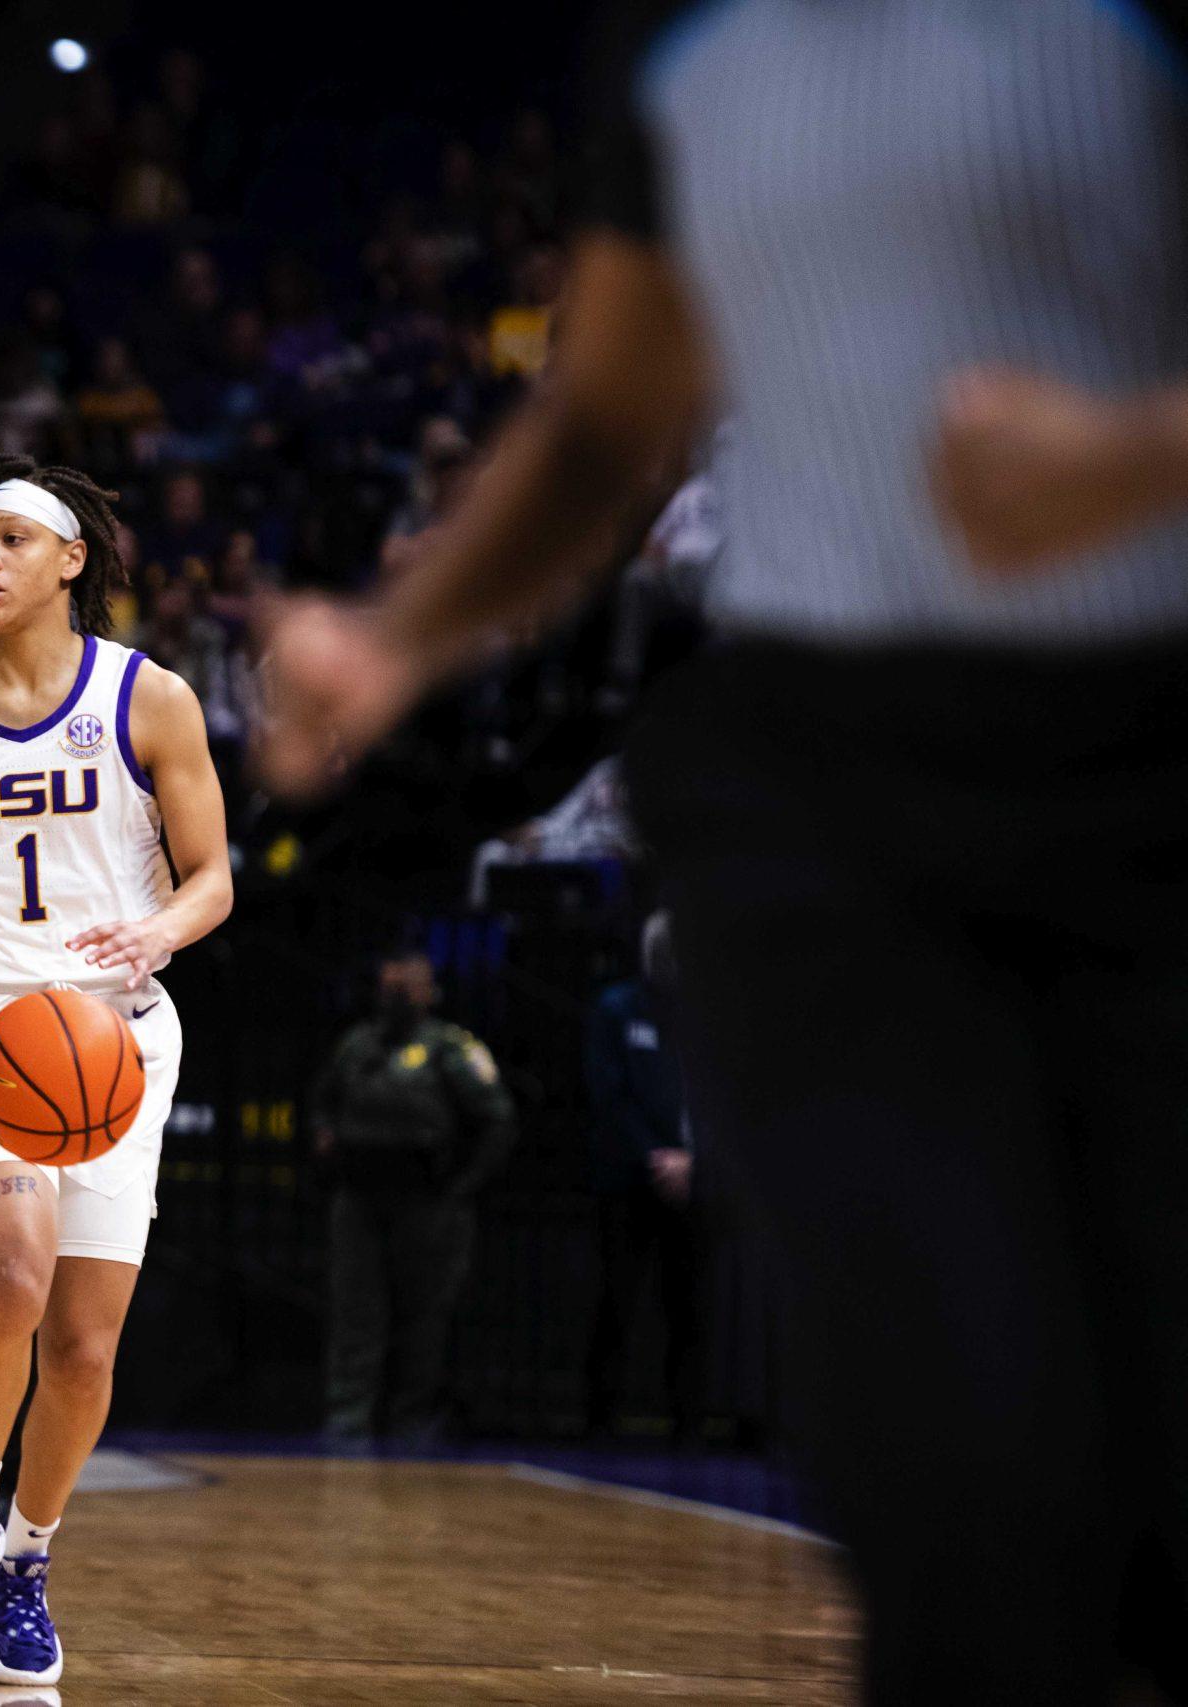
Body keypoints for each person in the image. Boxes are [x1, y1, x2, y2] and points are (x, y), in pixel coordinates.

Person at [252, 6, 1188, 1692]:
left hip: (1143, 776)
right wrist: (403, 637)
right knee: (951, 1471)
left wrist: (1136, 457)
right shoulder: (669, 38)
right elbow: (611, 417)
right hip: (831, 805)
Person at [0, 452, 233, 1686]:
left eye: (13, 540)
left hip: (114, 1031)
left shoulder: (151, 699)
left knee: (80, 1347)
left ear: (72, 560)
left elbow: (213, 876)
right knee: (8, 1282)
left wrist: (159, 930)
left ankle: (28, 1551)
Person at [308, 949, 515, 1446]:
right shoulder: (357, 1044)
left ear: (430, 993)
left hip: (428, 1202)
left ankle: (411, 1419)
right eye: (387, 988)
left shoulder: (451, 1048)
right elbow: (322, 1100)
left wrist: (463, 1184)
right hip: (359, 1198)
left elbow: (497, 1119)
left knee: (423, 1315)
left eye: (406, 989)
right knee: (357, 1312)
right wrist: (325, 1136)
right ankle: (348, 1418)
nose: (395, 997)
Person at [583, 912, 699, 1441]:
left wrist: (694, 1160)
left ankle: (690, 1420)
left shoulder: (706, 1014)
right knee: (617, 1298)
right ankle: (599, 1418)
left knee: (689, 1305)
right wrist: (656, 1157)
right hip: (628, 1180)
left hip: (693, 1183)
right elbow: (610, 1096)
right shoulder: (615, 1008)